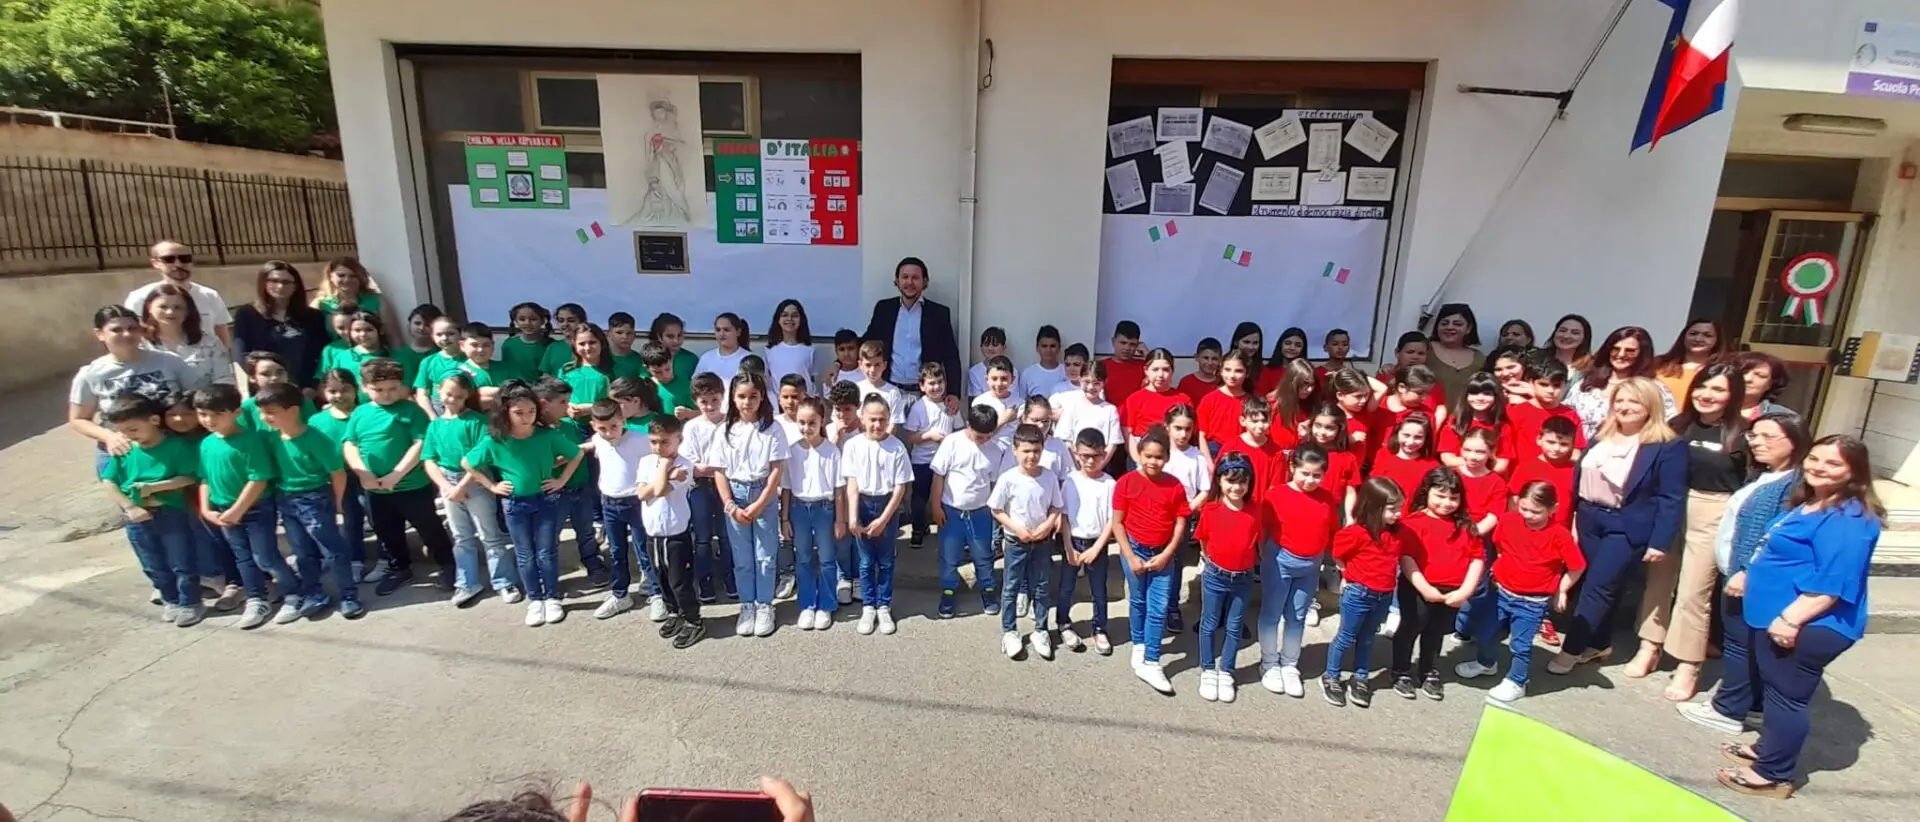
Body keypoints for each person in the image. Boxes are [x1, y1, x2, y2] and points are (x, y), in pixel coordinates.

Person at [1707, 435, 1881, 799]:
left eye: (1833, 463)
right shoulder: (1812, 502)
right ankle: (1769, 750)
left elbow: (1834, 582)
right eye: (1815, 458)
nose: (1819, 467)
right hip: (1776, 615)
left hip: (1807, 624)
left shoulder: (1849, 518)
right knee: (1776, 692)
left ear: (1854, 472)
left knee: (1788, 698)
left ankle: (1773, 775)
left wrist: (1791, 620)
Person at [1676, 411, 1808, 733]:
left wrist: (1746, 570)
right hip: (1737, 571)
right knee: (1746, 645)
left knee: (1740, 646)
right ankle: (1752, 706)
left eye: (1767, 437)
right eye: (1753, 436)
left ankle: (1728, 709)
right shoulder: (1765, 474)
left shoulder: (1792, 484)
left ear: (1794, 442)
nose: (1757, 443)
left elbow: (1775, 535)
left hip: (1751, 579)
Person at [1549, 377, 1688, 675]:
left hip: (1625, 525)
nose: (1624, 407)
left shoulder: (1667, 445)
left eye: (1633, 401)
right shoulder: (1603, 434)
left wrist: (1660, 541)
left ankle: (1571, 649)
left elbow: (1671, 497)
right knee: (1595, 584)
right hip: (1588, 517)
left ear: (1650, 405)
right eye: (1620, 401)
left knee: (1597, 588)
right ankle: (1599, 643)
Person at [1636, 362, 1750, 701]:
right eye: (1702, 386)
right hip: (1671, 504)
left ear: (1733, 396)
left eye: (1718, 389)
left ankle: (1688, 664)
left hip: (1714, 508)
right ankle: (1649, 645)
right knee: (1658, 580)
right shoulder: (1678, 425)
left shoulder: (1742, 433)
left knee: (1693, 591)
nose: (1706, 395)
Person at [463, 384, 585, 628]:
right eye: (519, 412)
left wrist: (561, 480)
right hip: (514, 503)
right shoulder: (496, 439)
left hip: (545, 500)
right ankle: (535, 599)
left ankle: (552, 597)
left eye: (531, 411)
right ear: (506, 412)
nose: (526, 417)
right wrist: (492, 486)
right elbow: (468, 463)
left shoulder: (546, 435)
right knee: (525, 554)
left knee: (546, 552)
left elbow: (576, 454)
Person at [1455, 480, 1586, 702]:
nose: (1528, 515)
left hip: (1532, 602)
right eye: (1523, 508)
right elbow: (1499, 545)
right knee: (1486, 634)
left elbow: (1577, 566)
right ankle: (1486, 663)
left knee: (1520, 645)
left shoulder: (1559, 534)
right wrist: (1501, 566)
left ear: (1553, 509)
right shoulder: (1508, 520)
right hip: (1500, 591)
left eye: (1536, 512)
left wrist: (1562, 590)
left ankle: (1517, 681)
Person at [344, 358, 456, 596]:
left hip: (411, 485)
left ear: (402, 386)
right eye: (378, 389)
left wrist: (397, 474)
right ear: (364, 387)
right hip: (375, 488)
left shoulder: (411, 411)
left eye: (392, 388)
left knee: (429, 528)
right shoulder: (360, 412)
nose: (386, 394)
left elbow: (420, 443)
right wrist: (362, 473)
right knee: (387, 531)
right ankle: (399, 568)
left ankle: (448, 565)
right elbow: (350, 444)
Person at [192, 384, 300, 628]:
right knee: (243, 558)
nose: (209, 420)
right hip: (224, 511)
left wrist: (238, 510)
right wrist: (206, 509)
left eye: (217, 414)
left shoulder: (251, 440)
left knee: (265, 557)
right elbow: (205, 478)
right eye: (203, 414)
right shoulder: (206, 443)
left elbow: (259, 478)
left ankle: (293, 592)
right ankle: (256, 598)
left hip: (255, 509)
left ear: (237, 412)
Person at [257, 382, 364, 620]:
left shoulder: (316, 439)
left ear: (293, 410)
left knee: (332, 550)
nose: (264, 418)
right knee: (302, 552)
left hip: (315, 498)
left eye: (271, 412)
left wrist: (337, 503)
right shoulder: (272, 438)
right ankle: (314, 593)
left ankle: (348, 595)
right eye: (262, 412)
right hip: (286, 499)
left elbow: (337, 473)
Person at [100, 394, 205, 626]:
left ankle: (190, 602)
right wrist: (130, 507)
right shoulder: (126, 450)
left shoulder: (176, 447)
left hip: (171, 513)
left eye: (133, 429)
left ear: (155, 420)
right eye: (122, 431)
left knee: (182, 561)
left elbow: (189, 476)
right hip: (136, 517)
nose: (128, 435)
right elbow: (109, 481)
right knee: (152, 563)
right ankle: (170, 599)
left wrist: (156, 487)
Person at [420, 371, 521, 608]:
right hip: (448, 482)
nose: (452, 400)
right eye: (448, 394)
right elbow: (429, 459)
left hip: (475, 481)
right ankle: (467, 583)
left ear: (467, 396)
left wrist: (461, 486)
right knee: (461, 536)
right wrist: (446, 486)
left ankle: (503, 581)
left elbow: (480, 459)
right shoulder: (435, 425)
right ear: (439, 391)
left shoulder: (477, 421)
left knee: (489, 534)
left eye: (458, 396)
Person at [1392, 468, 1486, 701]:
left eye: (1453, 498)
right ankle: (1401, 670)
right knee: (1410, 627)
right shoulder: (1413, 523)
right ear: (1427, 492)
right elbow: (1406, 558)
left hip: (1452, 591)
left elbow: (1477, 559)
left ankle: (1428, 669)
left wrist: (1465, 591)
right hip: (1418, 588)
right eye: (1440, 496)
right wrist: (1425, 589)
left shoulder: (1466, 526)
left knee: (1436, 632)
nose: (1446, 503)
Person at [1260, 443, 1341, 697]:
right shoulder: (1276, 495)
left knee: (1297, 616)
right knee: (1272, 613)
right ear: (1292, 467)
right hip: (1280, 561)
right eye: (1305, 473)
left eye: (1317, 475)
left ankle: (1289, 663)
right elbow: (1263, 528)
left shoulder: (1327, 499)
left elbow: (1332, 531)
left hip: (1311, 566)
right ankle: (1269, 662)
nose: (1310, 480)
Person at [1115, 424, 1191, 694]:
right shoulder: (1126, 482)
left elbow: (1181, 522)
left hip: (1162, 554)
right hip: (1134, 549)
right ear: (1139, 454)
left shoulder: (1174, 485)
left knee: (1158, 608)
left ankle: (1152, 660)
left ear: (1167, 458)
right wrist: (1130, 556)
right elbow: (1118, 523)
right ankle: (1139, 644)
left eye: (1159, 457)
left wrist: (1167, 554)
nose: (1153, 461)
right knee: (1138, 601)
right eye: (1148, 455)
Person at [712, 372, 789, 637]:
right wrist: (730, 504)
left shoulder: (773, 428)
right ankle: (747, 604)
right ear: (733, 398)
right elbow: (719, 471)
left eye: (753, 396)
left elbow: (776, 469)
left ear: (762, 397)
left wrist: (760, 503)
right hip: (735, 493)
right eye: (741, 396)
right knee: (742, 556)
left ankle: (765, 604)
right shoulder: (725, 430)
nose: (747, 402)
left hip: (763, 492)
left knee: (765, 556)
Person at [70, 306, 191, 469]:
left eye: (132, 328)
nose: (126, 334)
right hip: (125, 450)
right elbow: (78, 419)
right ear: (100, 334)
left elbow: (194, 399)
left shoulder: (169, 361)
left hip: (174, 446)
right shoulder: (90, 374)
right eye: (116, 330)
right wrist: (108, 437)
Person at [1324, 478, 1407, 708]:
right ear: (1374, 507)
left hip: (1384, 594)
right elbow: (1338, 553)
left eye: (1400, 508)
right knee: (1345, 637)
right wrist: (1346, 574)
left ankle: (1360, 677)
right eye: (1392, 509)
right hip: (1358, 593)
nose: (1398, 514)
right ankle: (1331, 675)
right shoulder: (1356, 533)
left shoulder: (1398, 532)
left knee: (1368, 638)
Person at [584, 399, 666, 623]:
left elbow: (658, 460)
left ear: (622, 420)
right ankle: (621, 595)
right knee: (616, 551)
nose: (609, 433)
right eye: (602, 428)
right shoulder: (597, 440)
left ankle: (656, 594)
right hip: (609, 502)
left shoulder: (640, 440)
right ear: (593, 426)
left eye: (614, 426)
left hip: (636, 501)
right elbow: (592, 449)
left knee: (644, 550)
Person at [990, 423, 1065, 659]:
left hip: (1042, 541)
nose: (1031, 456)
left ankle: (1041, 630)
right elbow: (996, 509)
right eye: (1026, 451)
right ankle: (1009, 631)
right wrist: (1017, 528)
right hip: (1016, 541)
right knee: (1011, 586)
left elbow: (1056, 507)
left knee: (1042, 586)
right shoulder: (1008, 478)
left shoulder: (1049, 477)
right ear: (1015, 450)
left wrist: (1047, 526)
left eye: (1036, 451)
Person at [1194, 452, 1260, 703]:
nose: (1237, 487)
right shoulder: (1210, 510)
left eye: (1243, 481)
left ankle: (1226, 671)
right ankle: (1208, 669)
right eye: (1230, 481)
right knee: (1209, 623)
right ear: (1219, 481)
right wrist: (1210, 560)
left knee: (1235, 625)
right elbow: (1203, 539)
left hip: (1243, 578)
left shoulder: (1255, 510)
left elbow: (1257, 541)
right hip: (1215, 575)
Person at [844, 392, 912, 636]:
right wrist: (853, 516)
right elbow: (852, 483)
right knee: (865, 562)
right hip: (862, 504)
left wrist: (884, 519)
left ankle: (884, 605)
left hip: (886, 506)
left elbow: (900, 487)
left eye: (882, 419)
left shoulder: (897, 447)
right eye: (872, 419)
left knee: (885, 560)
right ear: (862, 418)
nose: (877, 424)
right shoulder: (853, 445)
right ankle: (868, 606)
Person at [635, 415, 704, 648]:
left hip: (675, 534)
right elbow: (641, 494)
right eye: (654, 441)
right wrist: (664, 475)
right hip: (653, 533)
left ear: (679, 440)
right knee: (661, 577)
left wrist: (665, 467)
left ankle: (694, 620)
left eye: (665, 442)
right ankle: (674, 611)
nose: (658, 447)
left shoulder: (684, 465)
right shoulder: (646, 462)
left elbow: (661, 491)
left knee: (679, 581)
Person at [535, 377, 610, 589]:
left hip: (581, 486)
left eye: (568, 401)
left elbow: (580, 450)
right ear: (544, 403)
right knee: (551, 536)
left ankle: (593, 563)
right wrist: (573, 453)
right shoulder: (537, 432)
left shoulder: (569, 425)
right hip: (555, 492)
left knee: (586, 530)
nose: (567, 407)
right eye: (562, 402)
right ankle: (548, 576)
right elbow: (547, 461)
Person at [931, 404, 1005, 618]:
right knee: (949, 555)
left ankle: (987, 589)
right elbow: (939, 476)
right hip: (951, 510)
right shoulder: (952, 442)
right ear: (967, 425)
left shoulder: (995, 450)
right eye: (979, 436)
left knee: (983, 554)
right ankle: (948, 590)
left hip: (980, 512)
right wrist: (936, 506)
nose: (984, 441)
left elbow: (994, 484)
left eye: (988, 437)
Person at [784, 396, 844, 631]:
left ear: (822, 421)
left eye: (812, 423)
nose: (806, 428)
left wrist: (840, 519)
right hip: (798, 509)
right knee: (803, 557)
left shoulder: (832, 451)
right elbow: (786, 487)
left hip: (824, 509)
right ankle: (808, 604)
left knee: (827, 558)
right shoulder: (792, 451)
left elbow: (838, 489)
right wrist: (784, 518)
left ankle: (826, 604)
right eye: (802, 422)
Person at [864, 256, 963, 400]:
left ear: (924, 282)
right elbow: (866, 343)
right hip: (889, 391)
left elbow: (950, 356)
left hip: (925, 394)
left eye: (915, 278)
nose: (909, 282)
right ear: (897, 281)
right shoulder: (884, 309)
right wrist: (839, 363)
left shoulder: (938, 313)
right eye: (905, 277)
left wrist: (953, 393)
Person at [1056, 428, 1116, 655]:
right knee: (1066, 587)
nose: (1091, 461)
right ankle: (1063, 623)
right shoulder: (1070, 481)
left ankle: (1100, 628)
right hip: (1073, 541)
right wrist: (1068, 547)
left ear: (1104, 454)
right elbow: (1064, 516)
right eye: (1085, 456)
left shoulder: (1109, 484)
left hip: (1097, 543)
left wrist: (1098, 547)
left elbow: (1112, 520)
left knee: (1099, 589)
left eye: (1096, 456)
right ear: (1077, 454)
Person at [1565, 326, 1676, 442]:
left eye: (1630, 351)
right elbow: (1565, 414)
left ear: (1642, 354)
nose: (1621, 354)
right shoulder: (1587, 382)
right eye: (1615, 349)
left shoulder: (1654, 388)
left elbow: (1667, 425)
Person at [231, 261, 329, 390]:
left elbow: (323, 354)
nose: (280, 286)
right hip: (266, 389)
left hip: (305, 389)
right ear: (263, 283)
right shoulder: (247, 314)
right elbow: (241, 354)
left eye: (286, 282)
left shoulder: (314, 316)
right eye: (274, 281)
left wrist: (312, 387)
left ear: (295, 286)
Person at [683, 373, 737, 602]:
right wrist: (714, 468)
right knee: (702, 536)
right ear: (695, 402)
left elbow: (735, 459)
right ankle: (704, 580)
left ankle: (730, 576)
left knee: (726, 534)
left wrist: (713, 468)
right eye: (704, 402)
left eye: (715, 400)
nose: (710, 406)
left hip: (728, 486)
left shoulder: (732, 424)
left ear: (723, 396)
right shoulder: (692, 427)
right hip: (701, 487)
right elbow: (692, 465)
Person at [124, 240, 233, 349]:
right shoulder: (139, 297)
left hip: (205, 358)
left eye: (185, 258)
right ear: (155, 263)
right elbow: (130, 335)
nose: (178, 264)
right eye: (169, 259)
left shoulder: (210, 295)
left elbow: (222, 335)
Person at [902, 363, 961, 550]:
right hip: (923, 461)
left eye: (940, 382)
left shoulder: (951, 405)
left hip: (947, 462)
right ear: (922, 386)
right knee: (920, 496)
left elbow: (960, 430)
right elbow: (911, 437)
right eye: (931, 383)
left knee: (947, 496)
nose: (936, 387)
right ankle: (918, 530)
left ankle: (947, 528)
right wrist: (929, 436)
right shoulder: (919, 407)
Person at [312, 256, 396, 342]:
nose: (347, 280)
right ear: (330, 277)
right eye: (341, 275)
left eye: (353, 276)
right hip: (336, 349)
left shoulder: (377, 301)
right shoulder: (321, 304)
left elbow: (393, 337)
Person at [1653, 318, 1727, 404]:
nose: (1698, 339)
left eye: (1707, 335)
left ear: (1717, 340)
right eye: (1693, 334)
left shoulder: (1721, 371)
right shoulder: (1659, 363)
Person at [1197, 349, 1254, 457]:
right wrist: (1209, 462)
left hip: (1241, 453)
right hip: (1214, 452)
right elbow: (1201, 436)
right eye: (1227, 370)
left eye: (1238, 371)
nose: (1232, 375)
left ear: (1247, 373)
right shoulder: (1209, 399)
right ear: (1221, 371)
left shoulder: (1251, 402)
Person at [1427, 303, 1487, 402]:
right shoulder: (1424, 350)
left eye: (1457, 324)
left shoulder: (1479, 359)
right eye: (1444, 323)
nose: (1449, 327)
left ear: (1468, 328)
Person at [413, 316, 467, 415]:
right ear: (432, 337)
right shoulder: (428, 362)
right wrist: (433, 417)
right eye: (439, 334)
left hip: (467, 406)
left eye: (450, 334)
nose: (444, 338)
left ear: (460, 334)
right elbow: (422, 395)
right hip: (439, 409)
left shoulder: (470, 359)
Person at [765, 299, 816, 394]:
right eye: (785, 315)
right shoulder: (769, 350)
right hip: (778, 401)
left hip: (804, 401)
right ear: (778, 320)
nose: (790, 319)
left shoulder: (810, 350)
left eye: (794, 316)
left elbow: (812, 380)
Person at [1728, 350, 1796, 420]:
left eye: (1760, 375)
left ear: (1770, 384)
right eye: (1743, 372)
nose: (1747, 379)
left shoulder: (1783, 417)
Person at [498, 302, 554, 384]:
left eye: (533, 319)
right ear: (516, 321)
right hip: (514, 389)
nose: (527, 323)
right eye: (522, 319)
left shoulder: (551, 345)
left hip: (541, 389)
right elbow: (506, 370)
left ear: (542, 321)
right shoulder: (509, 344)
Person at [538, 304, 590, 378]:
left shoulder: (590, 346)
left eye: (571, 321)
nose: (565, 324)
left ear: (582, 322)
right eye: (561, 321)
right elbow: (546, 375)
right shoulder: (553, 347)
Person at [1020, 325, 1067, 399]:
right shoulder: (1028, 373)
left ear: (1059, 347)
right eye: (1044, 346)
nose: (1048, 350)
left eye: (1052, 346)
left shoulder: (1067, 371)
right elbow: (1022, 401)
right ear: (1037, 348)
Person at [1546, 313, 1594, 383]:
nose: (1566, 336)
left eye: (1575, 333)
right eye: (1562, 330)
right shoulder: (1538, 358)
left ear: (1584, 338)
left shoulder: (1592, 366)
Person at [1178, 337, 1223, 404]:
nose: (1210, 363)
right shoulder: (1186, 382)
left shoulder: (1222, 383)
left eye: (1214, 359)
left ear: (1220, 359)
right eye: (1206, 358)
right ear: (1196, 357)